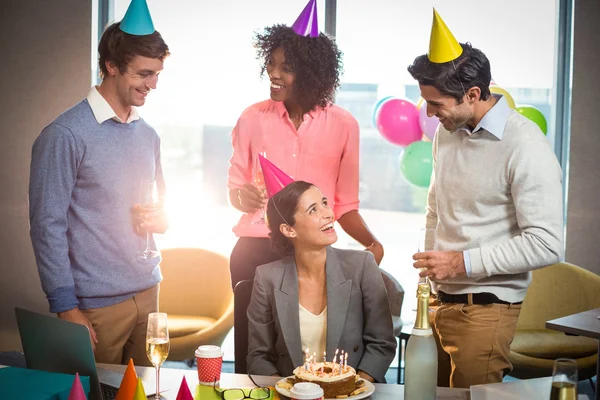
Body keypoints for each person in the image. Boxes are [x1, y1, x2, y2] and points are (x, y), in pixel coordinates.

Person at [407, 30, 564, 387]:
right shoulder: (445, 133)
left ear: (473, 94)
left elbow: (548, 243)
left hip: (485, 312)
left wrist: (460, 262)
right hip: (437, 304)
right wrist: (429, 276)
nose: (430, 115)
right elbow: (436, 209)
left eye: (437, 104)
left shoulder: (525, 145)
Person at [28, 3, 170, 366]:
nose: (153, 84)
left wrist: (161, 220)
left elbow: (161, 211)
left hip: (149, 293)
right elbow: (47, 226)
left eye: (157, 73)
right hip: (96, 306)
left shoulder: (149, 135)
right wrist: (65, 307)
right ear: (111, 66)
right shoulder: (64, 135)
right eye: (144, 73)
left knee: (147, 390)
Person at [227, 17, 383, 290]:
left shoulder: (345, 126)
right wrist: (241, 196)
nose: (274, 74)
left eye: (286, 68)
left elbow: (344, 206)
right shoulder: (251, 118)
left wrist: (372, 243)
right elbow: (235, 190)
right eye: (271, 64)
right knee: (254, 334)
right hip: (254, 252)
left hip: (314, 254)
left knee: (310, 334)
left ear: (311, 74)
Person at [246, 181, 396, 383]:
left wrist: (351, 390)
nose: (328, 214)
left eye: (325, 203)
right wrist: (288, 390)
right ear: (289, 230)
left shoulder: (362, 265)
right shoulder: (266, 278)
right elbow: (258, 356)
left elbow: (382, 344)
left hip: (354, 393)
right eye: (313, 209)